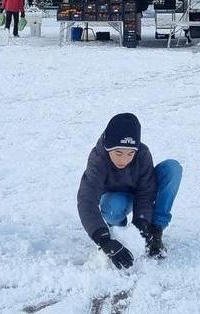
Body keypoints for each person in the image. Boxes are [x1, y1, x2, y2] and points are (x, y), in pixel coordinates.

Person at [77, 113, 182, 269]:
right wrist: (104, 239)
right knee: (114, 205)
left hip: (136, 194)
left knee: (172, 168)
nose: (124, 160)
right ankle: (118, 231)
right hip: (115, 199)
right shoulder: (98, 159)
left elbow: (146, 192)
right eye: (118, 153)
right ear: (107, 147)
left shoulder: (143, 154)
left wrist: (142, 223)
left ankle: (156, 230)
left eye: (130, 153)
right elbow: (87, 200)